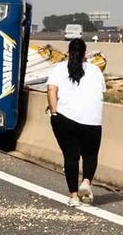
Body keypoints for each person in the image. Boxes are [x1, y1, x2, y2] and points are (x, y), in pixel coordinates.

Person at [44, 37, 105, 206]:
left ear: (69, 52)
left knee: (71, 157)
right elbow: (101, 93)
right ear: (85, 53)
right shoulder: (96, 70)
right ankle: (86, 182)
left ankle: (74, 196)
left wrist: (54, 113)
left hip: (66, 118)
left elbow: (51, 90)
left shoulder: (59, 68)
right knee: (90, 155)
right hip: (93, 120)